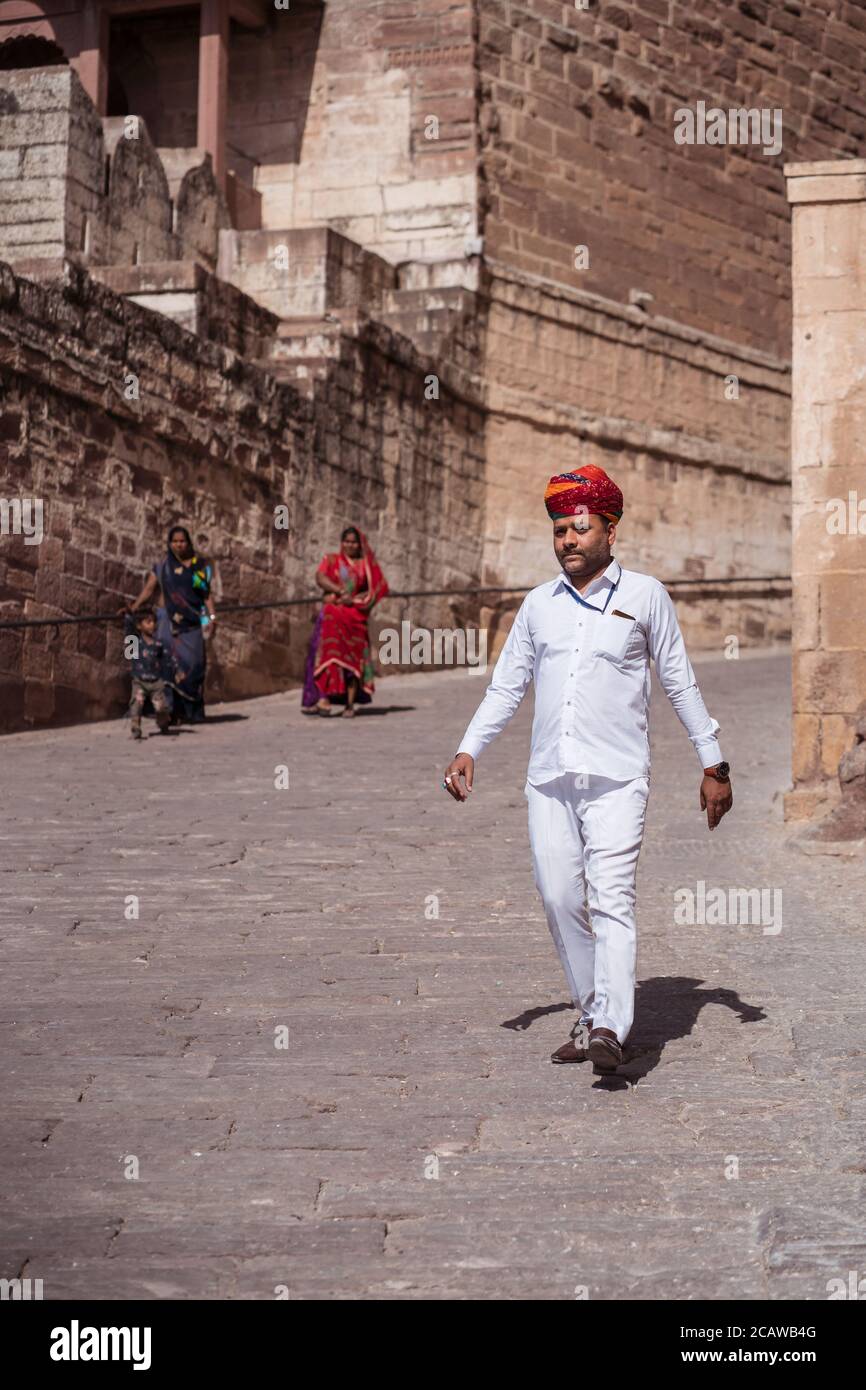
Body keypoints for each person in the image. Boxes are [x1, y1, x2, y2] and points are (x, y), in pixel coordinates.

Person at [442, 466, 733, 1074]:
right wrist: (470, 747)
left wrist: (714, 762)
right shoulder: (537, 606)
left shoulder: (646, 596)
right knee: (557, 894)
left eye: (579, 528)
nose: (568, 540)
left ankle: (610, 1027)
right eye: (559, 530)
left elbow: (678, 681)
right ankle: (591, 1007)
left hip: (619, 777)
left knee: (612, 901)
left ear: (610, 529)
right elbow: (507, 686)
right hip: (549, 777)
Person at [127, 526, 216, 724]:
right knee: (167, 665)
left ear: (188, 542)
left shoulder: (197, 565)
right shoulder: (162, 566)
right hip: (167, 622)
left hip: (192, 623)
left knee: (193, 666)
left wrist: (211, 616)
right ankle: (168, 711)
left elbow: (206, 594)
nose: (178, 544)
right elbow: (150, 589)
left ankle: (191, 712)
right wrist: (134, 607)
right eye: (174, 541)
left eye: (182, 541)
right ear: (169, 543)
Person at [306, 526, 389, 717]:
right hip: (332, 619)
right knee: (328, 658)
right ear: (341, 542)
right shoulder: (332, 560)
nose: (350, 545)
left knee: (352, 662)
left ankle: (349, 704)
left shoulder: (365, 566)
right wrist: (339, 591)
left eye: (354, 542)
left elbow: (378, 588)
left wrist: (355, 600)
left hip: (354, 619)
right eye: (347, 541)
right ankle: (323, 698)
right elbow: (320, 577)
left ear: (359, 544)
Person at [123, 608, 171, 740]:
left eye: (154, 622)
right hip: (139, 681)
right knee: (136, 704)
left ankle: (163, 724)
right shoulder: (135, 643)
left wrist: (176, 672)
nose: (152, 625)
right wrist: (128, 618)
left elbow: (168, 660)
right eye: (148, 622)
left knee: (160, 706)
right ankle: (135, 728)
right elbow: (128, 636)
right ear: (139, 625)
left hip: (156, 682)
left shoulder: (159, 644)